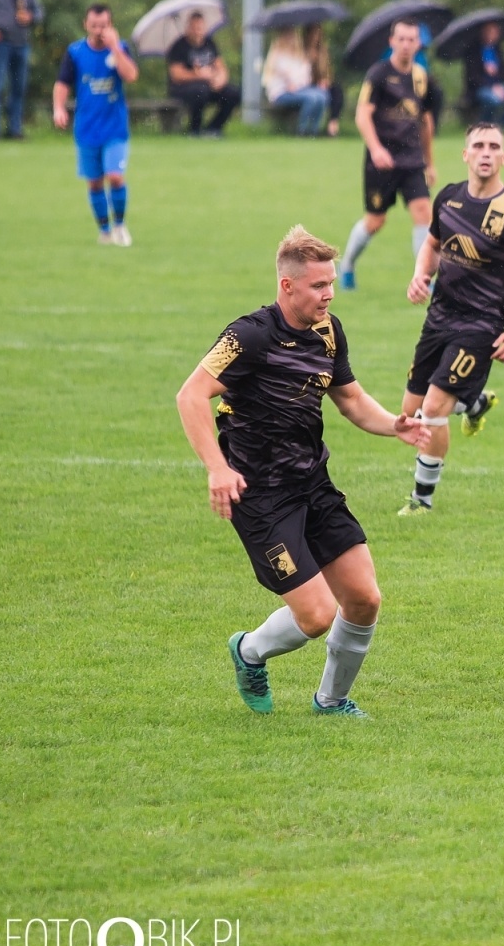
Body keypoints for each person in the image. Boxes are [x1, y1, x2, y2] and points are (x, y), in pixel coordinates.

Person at [175, 226, 430, 718]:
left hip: (313, 483)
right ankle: (248, 652)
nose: (329, 293)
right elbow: (190, 395)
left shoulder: (329, 331)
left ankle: (331, 702)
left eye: (331, 282)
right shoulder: (248, 334)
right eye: (318, 286)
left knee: (363, 598)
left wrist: (393, 426)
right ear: (287, 285)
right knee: (316, 615)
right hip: (260, 496)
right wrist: (216, 468)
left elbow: (351, 399)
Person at [398, 122, 504, 515]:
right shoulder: (448, 198)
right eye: (479, 145)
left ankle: (421, 502)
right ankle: (471, 403)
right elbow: (433, 244)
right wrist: (421, 275)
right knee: (409, 413)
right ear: (466, 154)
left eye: (494, 146)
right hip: (439, 317)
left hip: (482, 324)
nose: (486, 152)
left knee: (432, 410)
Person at [339, 19, 438, 290]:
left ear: (419, 44)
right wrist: (376, 149)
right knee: (375, 221)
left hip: (412, 160)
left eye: (412, 40)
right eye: (401, 39)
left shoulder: (421, 77)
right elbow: (362, 115)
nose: (406, 45)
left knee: (423, 214)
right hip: (382, 163)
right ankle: (347, 264)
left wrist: (430, 163)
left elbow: (426, 123)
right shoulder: (378, 74)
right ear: (391, 42)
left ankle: (423, 278)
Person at [52, 3, 138, 245]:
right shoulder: (75, 52)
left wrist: (115, 49)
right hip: (87, 127)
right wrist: (59, 108)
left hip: (115, 128)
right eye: (94, 25)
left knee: (115, 176)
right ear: (85, 25)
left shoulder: (120, 49)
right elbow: (62, 84)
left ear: (110, 25)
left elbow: (131, 76)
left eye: (103, 25)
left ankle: (120, 226)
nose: (99, 30)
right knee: (95, 181)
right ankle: (104, 231)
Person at [165, 11, 241, 137]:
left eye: (200, 27)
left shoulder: (209, 43)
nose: (197, 31)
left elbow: (221, 67)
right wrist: (198, 76)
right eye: (194, 28)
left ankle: (214, 128)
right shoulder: (179, 46)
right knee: (200, 91)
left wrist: (219, 80)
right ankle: (195, 129)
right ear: (188, 28)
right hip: (184, 88)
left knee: (233, 93)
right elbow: (176, 74)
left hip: (209, 85)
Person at [0, 0, 43, 139]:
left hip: (21, 42)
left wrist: (30, 17)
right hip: (0, 43)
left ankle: (15, 129)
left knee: (18, 88)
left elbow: (39, 11)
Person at [262, 28, 330, 136]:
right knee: (312, 98)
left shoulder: (298, 55)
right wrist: (288, 82)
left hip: (299, 90)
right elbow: (274, 76)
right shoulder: (276, 55)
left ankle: (314, 129)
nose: (291, 39)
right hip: (281, 92)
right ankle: (302, 129)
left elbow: (303, 78)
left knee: (322, 96)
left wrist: (308, 64)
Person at [302, 23, 344, 136]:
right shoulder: (302, 51)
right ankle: (310, 129)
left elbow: (328, 72)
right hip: (307, 84)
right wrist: (310, 60)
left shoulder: (323, 51)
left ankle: (332, 123)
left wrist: (326, 80)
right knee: (321, 95)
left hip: (321, 83)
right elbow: (301, 75)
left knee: (337, 91)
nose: (317, 36)